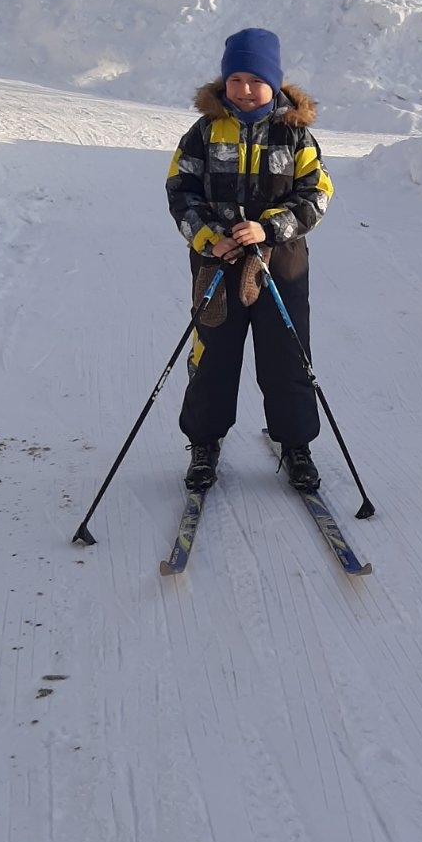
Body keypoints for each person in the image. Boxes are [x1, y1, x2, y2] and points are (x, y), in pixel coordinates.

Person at [165, 27, 333, 494]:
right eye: (235, 79)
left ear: (275, 83)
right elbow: (180, 192)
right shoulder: (203, 132)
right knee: (212, 354)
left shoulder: (295, 134)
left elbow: (317, 194)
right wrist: (208, 238)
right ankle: (204, 442)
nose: (244, 90)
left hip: (281, 264)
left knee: (287, 357)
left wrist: (270, 228)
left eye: (255, 80)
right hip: (218, 263)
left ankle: (296, 445)